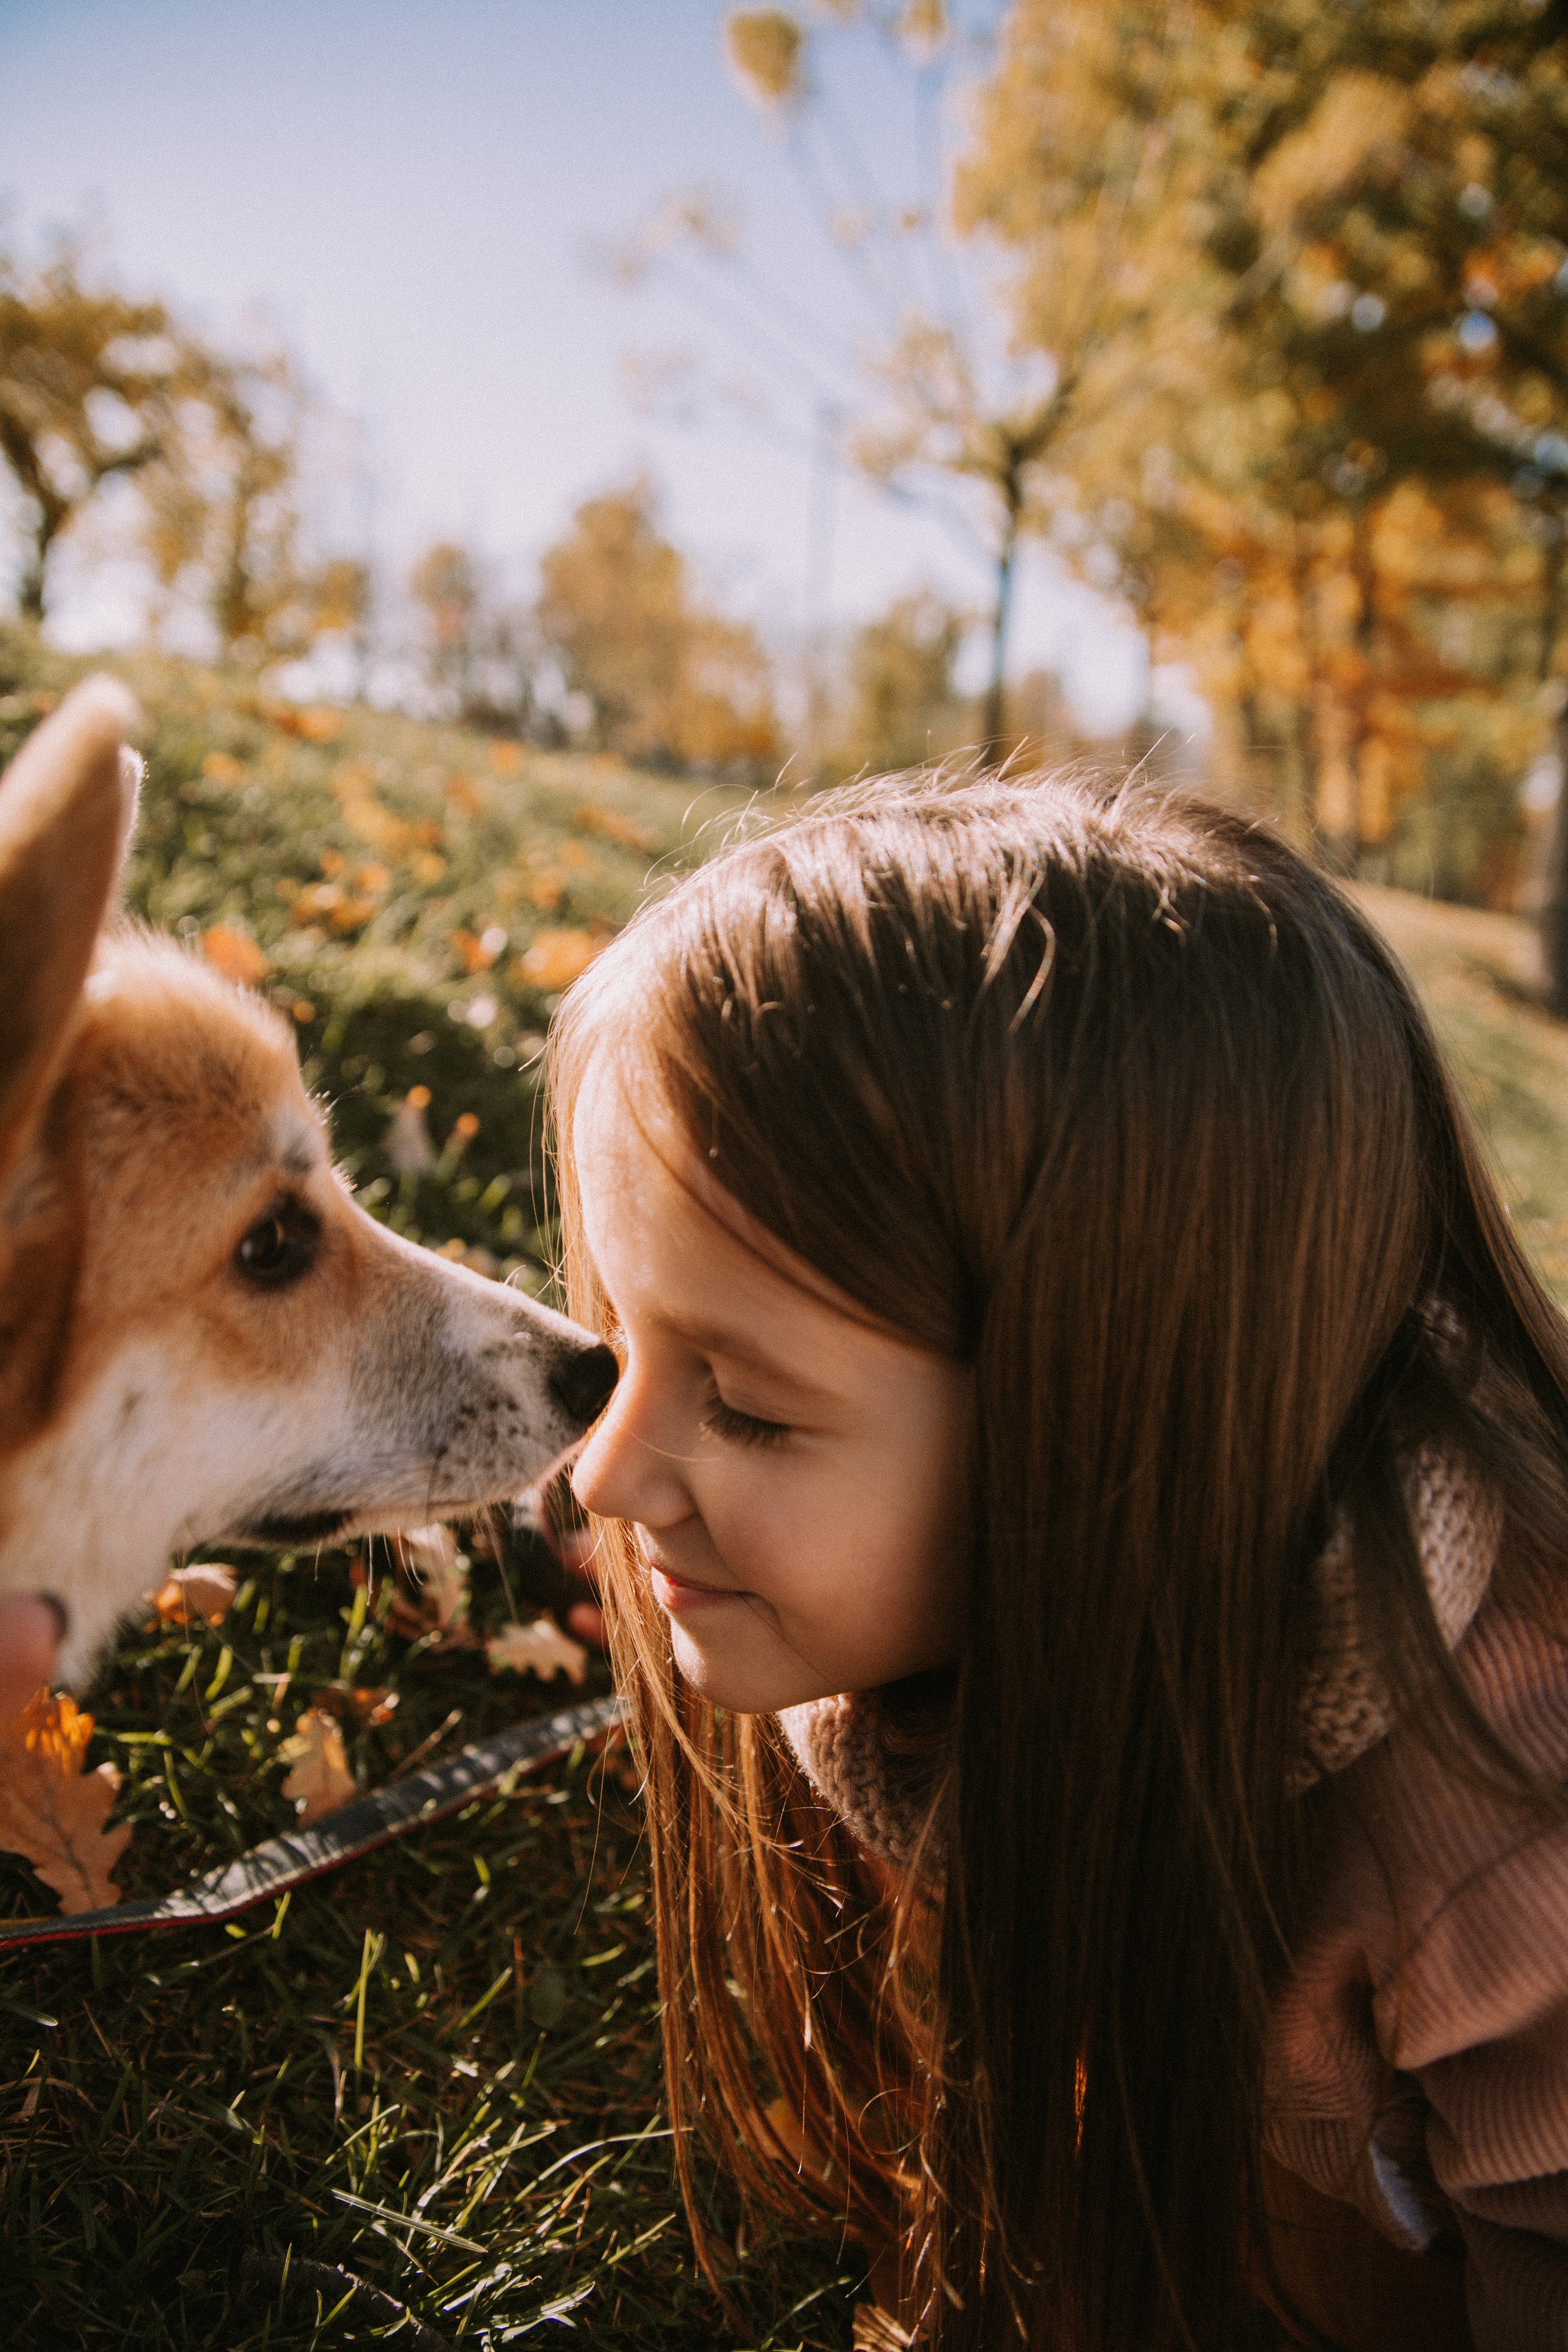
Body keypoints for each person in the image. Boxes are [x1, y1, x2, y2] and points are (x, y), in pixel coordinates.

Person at [550, 771, 1568, 2352]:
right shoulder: (967, 1603)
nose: (603, 1478)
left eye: (745, 1403)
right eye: (624, 1341)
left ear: (1107, 1433)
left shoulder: (1503, 1859)